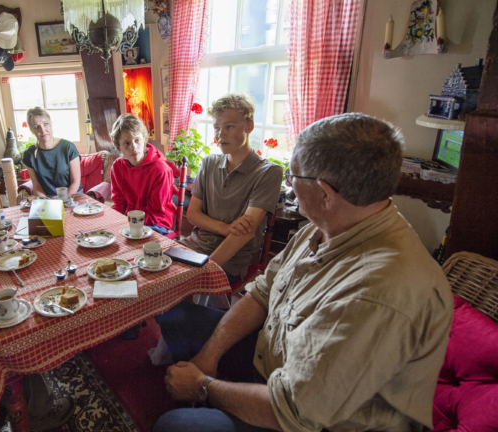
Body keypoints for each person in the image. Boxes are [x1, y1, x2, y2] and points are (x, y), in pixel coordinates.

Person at [153, 113, 454, 432]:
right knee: (176, 315)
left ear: (326, 194)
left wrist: (202, 386)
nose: (287, 183)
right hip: (274, 361)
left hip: (309, 421)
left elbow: (292, 410)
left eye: (293, 175)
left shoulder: (379, 291)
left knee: (172, 426)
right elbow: (262, 293)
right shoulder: (325, 226)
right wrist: (209, 356)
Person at [182, 94, 282, 285]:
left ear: (249, 126)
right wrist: (226, 227)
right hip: (192, 247)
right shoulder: (209, 163)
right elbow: (193, 214)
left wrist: (207, 269)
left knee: (177, 293)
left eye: (229, 127)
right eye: (217, 128)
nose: (221, 135)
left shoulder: (269, 172)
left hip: (230, 260)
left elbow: (244, 233)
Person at [109, 113, 176, 235]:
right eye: (126, 143)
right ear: (119, 147)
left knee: (133, 248)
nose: (134, 147)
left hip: (156, 224)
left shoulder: (160, 170)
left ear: (144, 140)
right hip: (130, 221)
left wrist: (128, 226)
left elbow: (156, 213)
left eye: (137, 140)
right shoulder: (117, 167)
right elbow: (119, 203)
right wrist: (113, 222)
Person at [22, 107, 81, 198]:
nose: (43, 130)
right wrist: (48, 204)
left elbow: (75, 182)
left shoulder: (68, 147)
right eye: (37, 127)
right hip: (48, 199)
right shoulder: (29, 154)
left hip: (72, 196)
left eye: (45, 124)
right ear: (32, 130)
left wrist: (61, 202)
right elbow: (37, 187)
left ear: (51, 124)